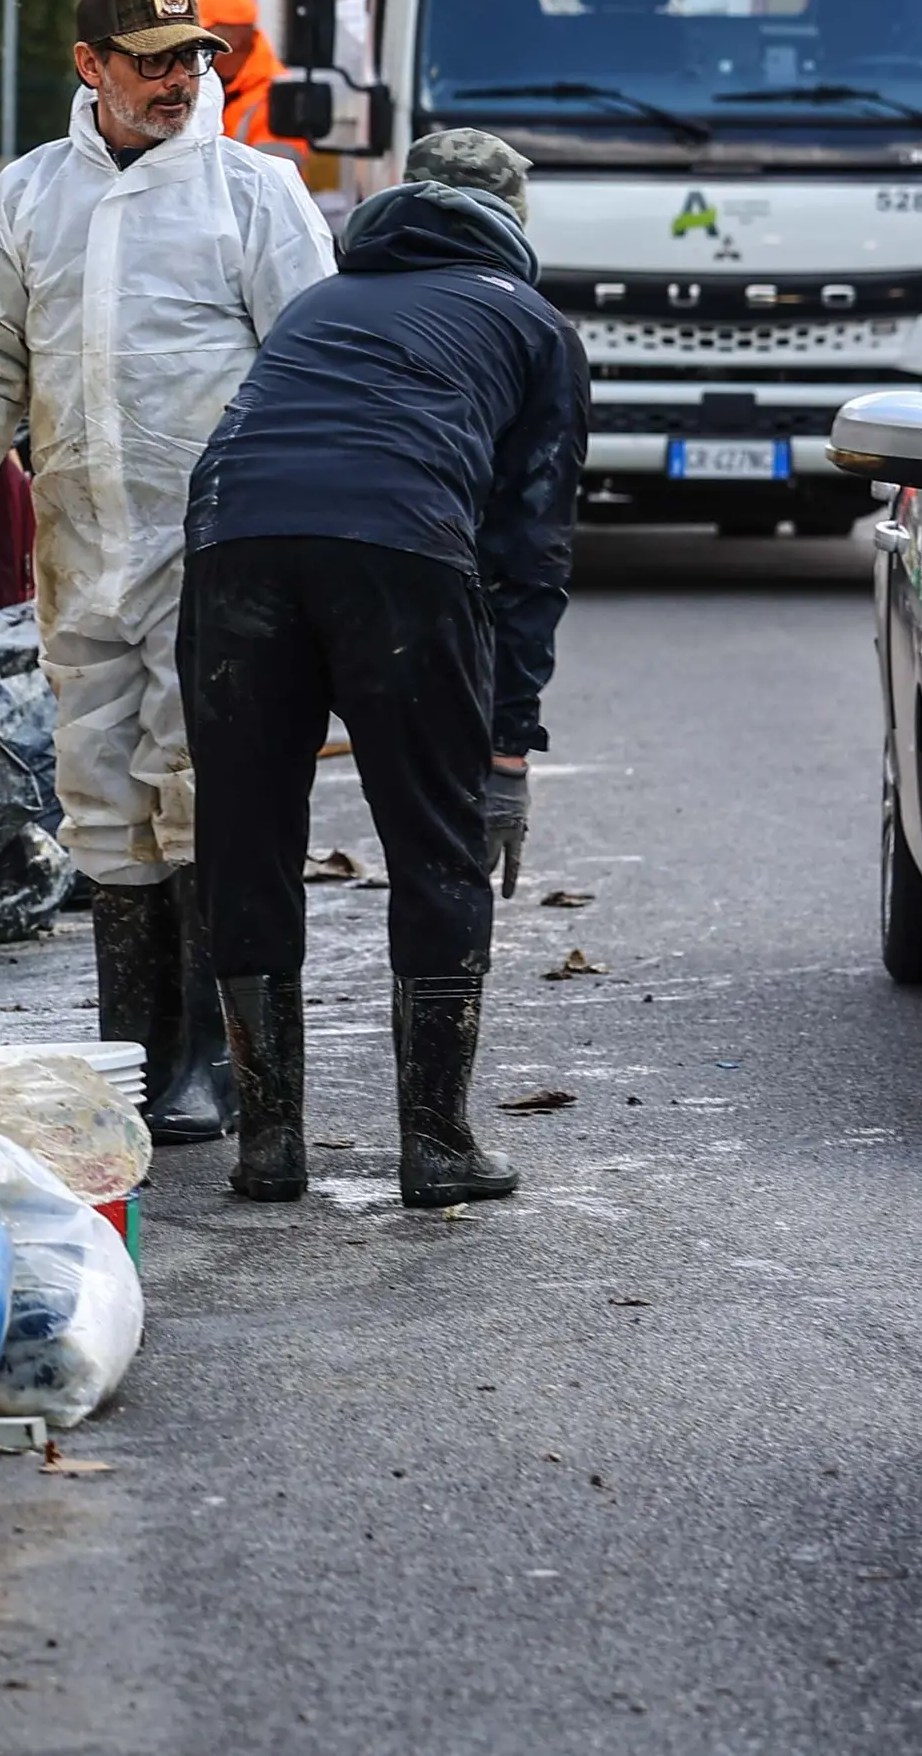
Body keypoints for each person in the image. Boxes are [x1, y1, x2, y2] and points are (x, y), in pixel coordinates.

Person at [0, 0, 336, 1139]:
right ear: (90, 66)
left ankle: (213, 1057)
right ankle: (133, 1047)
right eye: (152, 58)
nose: (180, 78)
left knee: (201, 789)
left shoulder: (253, 193)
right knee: (101, 796)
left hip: (216, 548)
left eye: (191, 56)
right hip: (82, 541)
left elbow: (312, 370)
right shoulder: (30, 197)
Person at [180, 127, 586, 1208]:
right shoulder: (531, 324)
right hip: (398, 554)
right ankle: (437, 1143)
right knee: (433, 838)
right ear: (511, 219)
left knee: (247, 832)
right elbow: (528, 551)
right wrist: (506, 745)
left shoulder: (319, 303)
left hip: (232, 544)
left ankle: (268, 1142)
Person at [195, 0, 286, 149]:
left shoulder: (277, 98)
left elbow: (266, 171)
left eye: (203, 32)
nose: (193, 43)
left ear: (233, 38)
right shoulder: (199, 83)